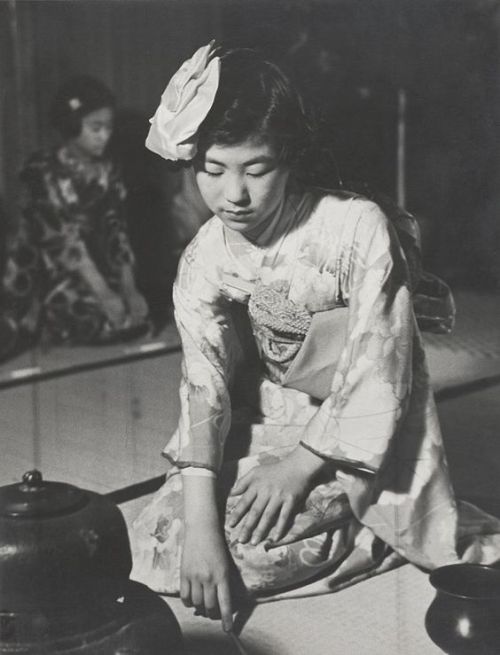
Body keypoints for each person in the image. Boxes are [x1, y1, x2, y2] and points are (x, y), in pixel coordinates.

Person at [130, 43, 500, 632]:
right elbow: (203, 385)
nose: (234, 195)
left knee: (251, 549)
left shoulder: (354, 228)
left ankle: (369, 529)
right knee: (163, 543)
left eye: (256, 169)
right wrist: (201, 522)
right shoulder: (205, 258)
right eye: (213, 169)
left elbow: (384, 366)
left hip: (359, 437)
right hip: (267, 422)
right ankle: (321, 527)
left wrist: (299, 466)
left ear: (288, 157)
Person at [0, 75, 148, 356]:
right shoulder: (42, 171)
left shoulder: (109, 170)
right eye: (95, 128)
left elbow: (117, 231)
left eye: (108, 127)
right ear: (71, 126)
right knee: (91, 317)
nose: (104, 135)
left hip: (91, 268)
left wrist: (129, 289)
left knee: (131, 313)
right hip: (44, 271)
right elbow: (65, 244)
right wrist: (104, 294)